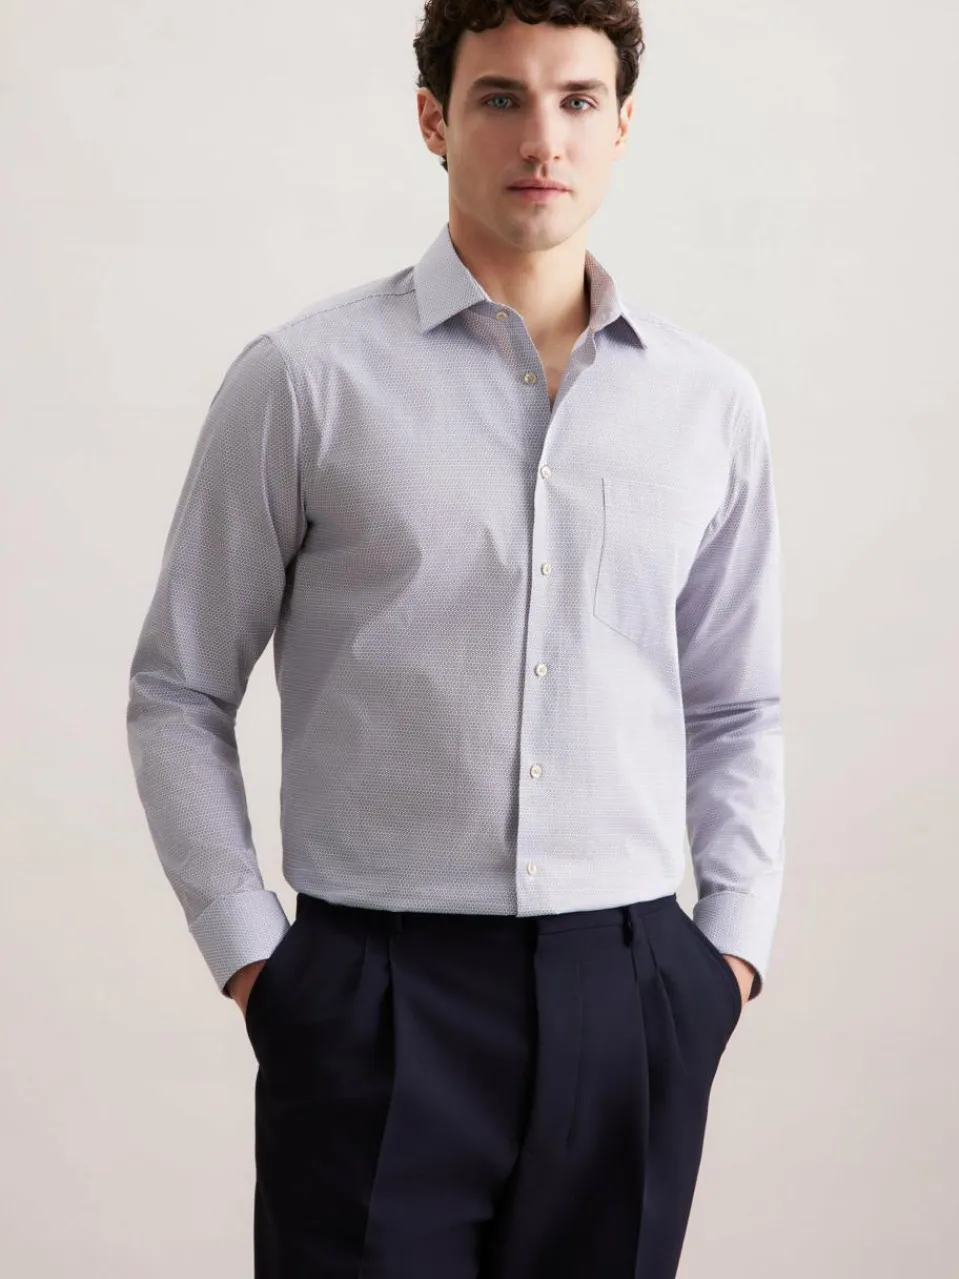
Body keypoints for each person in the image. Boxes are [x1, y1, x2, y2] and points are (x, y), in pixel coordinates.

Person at [125, 2, 785, 1275]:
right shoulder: (304, 380)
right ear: (434, 120)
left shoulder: (707, 404)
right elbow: (178, 689)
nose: (542, 138)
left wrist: (728, 956)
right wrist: (257, 958)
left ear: (622, 124)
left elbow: (734, 704)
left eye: (577, 100)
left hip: (630, 986)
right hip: (372, 997)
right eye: (499, 98)